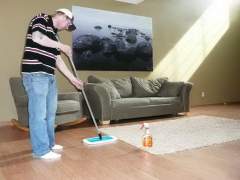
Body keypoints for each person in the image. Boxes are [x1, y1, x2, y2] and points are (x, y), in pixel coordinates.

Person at [21, 8, 83, 160]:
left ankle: (50, 144)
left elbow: (58, 61)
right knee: (39, 114)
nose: (67, 26)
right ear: (62, 15)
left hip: (49, 76)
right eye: (68, 22)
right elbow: (37, 37)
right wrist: (62, 46)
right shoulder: (41, 19)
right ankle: (41, 150)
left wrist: (72, 79)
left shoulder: (54, 35)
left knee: (50, 114)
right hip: (35, 73)